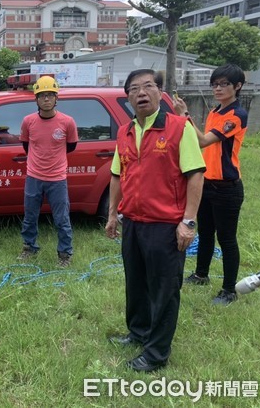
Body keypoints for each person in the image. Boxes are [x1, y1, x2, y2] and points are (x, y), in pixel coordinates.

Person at [105, 69, 205, 372]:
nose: (142, 93)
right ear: (128, 97)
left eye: (148, 86)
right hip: (133, 222)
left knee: (164, 288)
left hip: (165, 225)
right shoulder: (125, 131)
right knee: (136, 283)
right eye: (134, 88)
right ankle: (138, 332)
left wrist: (188, 221)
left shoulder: (178, 128)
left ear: (160, 92)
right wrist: (112, 213)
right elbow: (116, 174)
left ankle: (156, 353)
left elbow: (195, 174)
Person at [173, 63, 248, 305]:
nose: (218, 88)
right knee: (205, 233)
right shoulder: (216, 111)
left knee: (227, 239)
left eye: (224, 84)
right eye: (215, 84)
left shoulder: (237, 115)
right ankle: (201, 274)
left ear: (237, 86)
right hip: (207, 183)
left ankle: (229, 290)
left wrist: (185, 115)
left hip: (227, 188)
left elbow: (204, 141)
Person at [18, 75, 78, 267]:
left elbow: (71, 146)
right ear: (36, 99)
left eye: (50, 95)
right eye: (42, 95)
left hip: (57, 179)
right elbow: (27, 146)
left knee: (62, 219)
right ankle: (29, 247)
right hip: (34, 177)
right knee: (30, 216)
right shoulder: (28, 122)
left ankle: (65, 254)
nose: (46, 99)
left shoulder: (67, 122)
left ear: (56, 98)